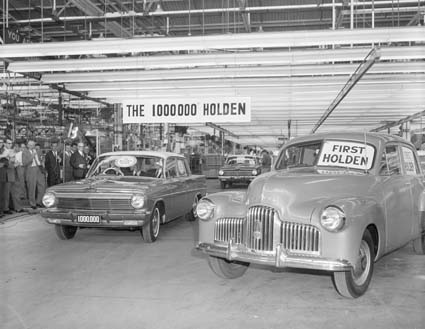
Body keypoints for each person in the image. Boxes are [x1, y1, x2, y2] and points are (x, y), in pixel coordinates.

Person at [1, 139, 24, 213]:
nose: (10, 145)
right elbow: (5, 164)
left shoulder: (11, 151)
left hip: (13, 174)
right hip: (6, 176)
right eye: (8, 143)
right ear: (4, 144)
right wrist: (13, 164)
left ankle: (16, 207)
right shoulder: (2, 152)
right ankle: (5, 209)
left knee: (15, 192)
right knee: (6, 194)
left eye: (11, 143)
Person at [22, 139, 46, 209]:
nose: (32, 146)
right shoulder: (25, 152)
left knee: (42, 185)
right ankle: (32, 203)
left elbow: (41, 159)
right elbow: (24, 163)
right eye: (30, 145)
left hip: (39, 168)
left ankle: (39, 201)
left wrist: (42, 162)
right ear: (27, 145)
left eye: (33, 145)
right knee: (32, 187)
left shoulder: (38, 151)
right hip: (31, 170)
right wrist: (32, 156)